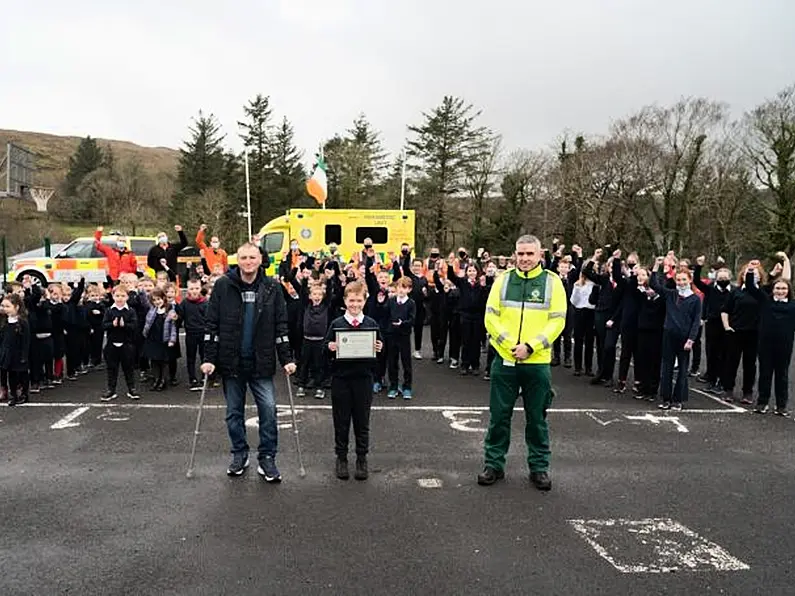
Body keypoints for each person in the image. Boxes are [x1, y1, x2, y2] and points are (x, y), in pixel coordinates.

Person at [478, 234, 567, 491]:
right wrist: (509, 346)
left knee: (537, 419)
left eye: (530, 254)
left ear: (540, 255)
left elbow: (557, 320)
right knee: (498, 417)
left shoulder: (553, 282)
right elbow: (490, 318)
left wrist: (531, 346)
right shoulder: (503, 280)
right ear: (514, 254)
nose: (525, 258)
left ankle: (539, 468)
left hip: (537, 363)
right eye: (521, 253)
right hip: (504, 361)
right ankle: (494, 464)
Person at [201, 242, 297, 481]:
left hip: (261, 362)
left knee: (269, 411)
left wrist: (286, 358)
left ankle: (267, 458)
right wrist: (208, 359)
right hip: (231, 361)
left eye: (252, 257)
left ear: (260, 259)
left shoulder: (272, 287)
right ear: (237, 260)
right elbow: (212, 325)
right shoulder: (224, 285)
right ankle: (239, 454)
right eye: (243, 258)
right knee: (234, 413)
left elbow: (281, 326)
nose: (248, 262)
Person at [325, 281, 383, 480]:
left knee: (362, 421)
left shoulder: (371, 324)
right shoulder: (337, 324)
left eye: (359, 300)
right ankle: (341, 458)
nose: (355, 304)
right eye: (351, 300)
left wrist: (379, 347)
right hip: (341, 380)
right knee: (341, 421)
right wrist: (330, 347)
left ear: (365, 301)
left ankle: (361, 458)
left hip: (363, 380)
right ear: (345, 301)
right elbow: (325, 348)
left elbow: (380, 352)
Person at [650, 258, 702, 410]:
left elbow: (696, 321)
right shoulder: (671, 294)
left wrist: (691, 339)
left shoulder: (695, 299)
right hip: (669, 335)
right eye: (678, 279)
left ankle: (678, 399)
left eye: (684, 279)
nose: (681, 282)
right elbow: (654, 284)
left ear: (690, 280)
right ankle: (666, 398)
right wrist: (656, 266)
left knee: (682, 370)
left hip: (685, 338)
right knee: (666, 367)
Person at [745, 263, 794, 416]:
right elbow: (751, 288)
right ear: (773, 290)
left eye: (784, 289)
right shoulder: (765, 301)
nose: (780, 291)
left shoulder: (793, 306)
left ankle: (781, 406)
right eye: (778, 288)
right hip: (765, 344)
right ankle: (762, 403)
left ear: (788, 291)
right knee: (765, 373)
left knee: (782, 375)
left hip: (784, 346)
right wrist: (751, 271)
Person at [101, 284, 140, 401]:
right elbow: (103, 325)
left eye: (123, 296)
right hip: (112, 344)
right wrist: (111, 325)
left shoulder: (131, 311)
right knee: (112, 369)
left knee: (128, 368)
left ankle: (131, 388)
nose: (120, 298)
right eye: (117, 295)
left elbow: (134, 326)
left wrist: (125, 325)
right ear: (113, 296)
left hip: (127, 344)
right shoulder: (109, 311)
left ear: (127, 297)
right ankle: (111, 390)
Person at [0, 293, 31, 406]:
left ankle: (24, 394)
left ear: (16, 307)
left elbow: (26, 340)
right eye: (3, 306)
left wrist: (24, 355)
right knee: (11, 375)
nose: (5, 309)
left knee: (22, 374)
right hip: (7, 353)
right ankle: (13, 395)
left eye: (8, 306)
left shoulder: (22, 322)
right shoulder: (4, 321)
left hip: (19, 353)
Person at [178, 279, 208, 391]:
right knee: (190, 357)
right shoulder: (185, 303)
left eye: (196, 288)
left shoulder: (205, 303)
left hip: (203, 333)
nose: (194, 291)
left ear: (200, 288)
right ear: (188, 289)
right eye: (191, 288)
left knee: (204, 356)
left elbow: (209, 319)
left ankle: (204, 377)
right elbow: (180, 316)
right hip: (190, 333)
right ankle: (192, 379)